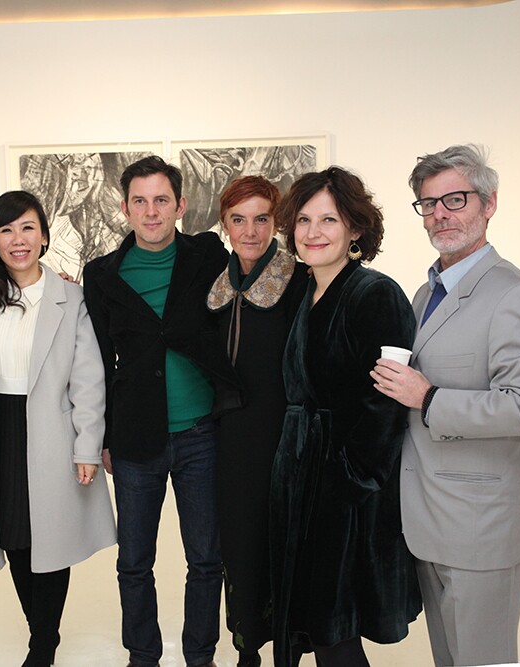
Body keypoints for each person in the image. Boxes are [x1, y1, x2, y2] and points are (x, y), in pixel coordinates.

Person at [371, 144, 520, 667]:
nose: (440, 214)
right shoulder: (425, 293)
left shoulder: (512, 293)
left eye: (455, 199)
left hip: (480, 525)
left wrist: (428, 398)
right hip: (428, 518)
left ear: (488, 204)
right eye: (429, 204)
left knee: (483, 660)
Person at [82, 156, 241, 667]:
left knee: (207, 559)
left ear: (180, 205)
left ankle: (200, 656)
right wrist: (104, 436)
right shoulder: (101, 275)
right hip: (135, 437)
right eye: (140, 201)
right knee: (133, 562)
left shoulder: (208, 255)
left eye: (161, 200)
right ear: (124, 207)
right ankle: (142, 656)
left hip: (201, 432)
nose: (151, 211)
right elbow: (98, 361)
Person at [271, 167, 421, 667]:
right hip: (300, 478)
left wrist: (348, 481)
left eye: (328, 220)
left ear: (355, 228)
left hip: (345, 491)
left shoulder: (375, 294)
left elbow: (386, 403)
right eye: (303, 220)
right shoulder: (301, 292)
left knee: (335, 632)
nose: (313, 232)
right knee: (312, 625)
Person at [0, 191, 116, 667]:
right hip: (0, 429)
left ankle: (42, 646)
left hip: (53, 433)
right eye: (6, 230)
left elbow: (88, 379)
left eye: (28, 228)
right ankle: (42, 635)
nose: (18, 239)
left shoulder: (72, 297)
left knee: (50, 540)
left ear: (44, 236)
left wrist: (87, 447)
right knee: (15, 538)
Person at [205, 176, 307, 667]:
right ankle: (247, 649)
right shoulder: (214, 284)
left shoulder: (300, 280)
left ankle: (289, 647)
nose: (250, 231)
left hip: (283, 436)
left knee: (284, 543)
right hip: (229, 441)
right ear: (224, 225)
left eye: (261, 219)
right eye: (238, 220)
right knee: (240, 545)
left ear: (276, 222)